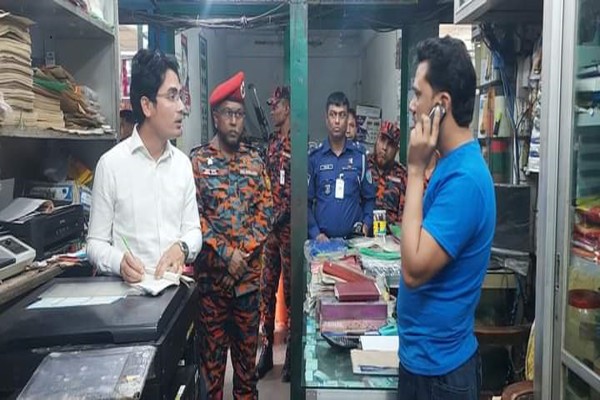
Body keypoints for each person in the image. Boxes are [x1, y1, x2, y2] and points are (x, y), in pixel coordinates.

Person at [397, 36, 496, 400]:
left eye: (417, 95)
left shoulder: (465, 179)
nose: (412, 106)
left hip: (441, 375)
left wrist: (414, 169)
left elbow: (414, 269)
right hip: (424, 363)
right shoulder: (450, 165)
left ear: (441, 104)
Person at [191, 71, 273, 400]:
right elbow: (193, 217)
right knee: (210, 377)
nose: (235, 121)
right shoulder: (197, 163)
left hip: (248, 289)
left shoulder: (255, 161)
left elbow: (266, 212)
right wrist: (227, 255)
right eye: (229, 113)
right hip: (212, 288)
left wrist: (242, 257)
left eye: (239, 114)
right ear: (216, 117)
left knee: (246, 377)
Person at [87, 49, 202, 283]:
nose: (181, 107)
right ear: (147, 106)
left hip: (173, 291)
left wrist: (182, 247)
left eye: (180, 96)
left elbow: (194, 231)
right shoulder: (111, 165)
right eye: (172, 96)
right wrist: (119, 262)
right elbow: (95, 244)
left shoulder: (182, 165)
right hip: (129, 294)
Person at [257, 85, 292, 382]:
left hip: (290, 230)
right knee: (265, 292)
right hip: (270, 232)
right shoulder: (271, 144)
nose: (272, 110)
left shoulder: (299, 143)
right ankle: (266, 352)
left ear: (288, 107)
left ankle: (292, 354)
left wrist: (280, 216)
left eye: (276, 105)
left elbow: (299, 190)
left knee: (291, 294)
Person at [308, 91, 375, 241]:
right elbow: (306, 203)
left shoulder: (360, 156)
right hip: (323, 243)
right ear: (326, 119)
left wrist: (366, 225)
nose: (337, 121)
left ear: (347, 119)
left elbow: (369, 198)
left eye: (342, 115)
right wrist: (315, 233)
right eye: (332, 115)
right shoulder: (315, 157)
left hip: (353, 243)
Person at [367, 120, 407, 226]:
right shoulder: (363, 165)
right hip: (362, 231)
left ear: (396, 150)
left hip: (390, 233)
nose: (384, 148)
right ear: (377, 140)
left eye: (391, 144)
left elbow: (405, 215)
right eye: (382, 140)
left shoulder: (402, 175)